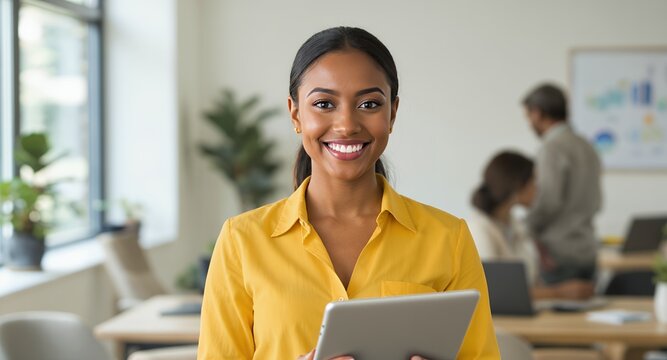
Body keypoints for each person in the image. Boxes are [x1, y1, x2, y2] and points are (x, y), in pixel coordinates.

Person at [198, 27, 500, 359]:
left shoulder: (449, 239)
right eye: (324, 103)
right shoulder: (242, 240)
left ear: (392, 113)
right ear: (296, 113)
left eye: (369, 103)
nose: (346, 124)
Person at [468, 151, 594, 300]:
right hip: (501, 321)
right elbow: (494, 292)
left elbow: (530, 281)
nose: (538, 188)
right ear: (517, 185)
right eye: (534, 181)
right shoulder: (479, 228)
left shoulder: (514, 225)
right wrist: (560, 293)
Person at [522, 84, 602, 285]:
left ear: (538, 113)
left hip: (557, 254)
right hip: (587, 249)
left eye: (528, 117)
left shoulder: (552, 148)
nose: (529, 123)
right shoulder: (587, 145)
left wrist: (525, 228)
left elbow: (548, 201)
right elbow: (598, 201)